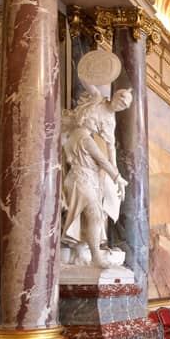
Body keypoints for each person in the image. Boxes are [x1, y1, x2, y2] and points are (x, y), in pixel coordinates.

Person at [60, 88, 132, 268]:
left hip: (86, 177)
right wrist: (117, 177)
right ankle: (96, 257)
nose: (98, 126)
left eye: (127, 103)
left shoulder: (98, 128)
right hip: (81, 178)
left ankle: (82, 251)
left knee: (93, 215)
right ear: (86, 117)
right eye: (122, 97)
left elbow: (110, 149)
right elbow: (101, 159)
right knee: (94, 214)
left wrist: (114, 172)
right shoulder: (84, 137)